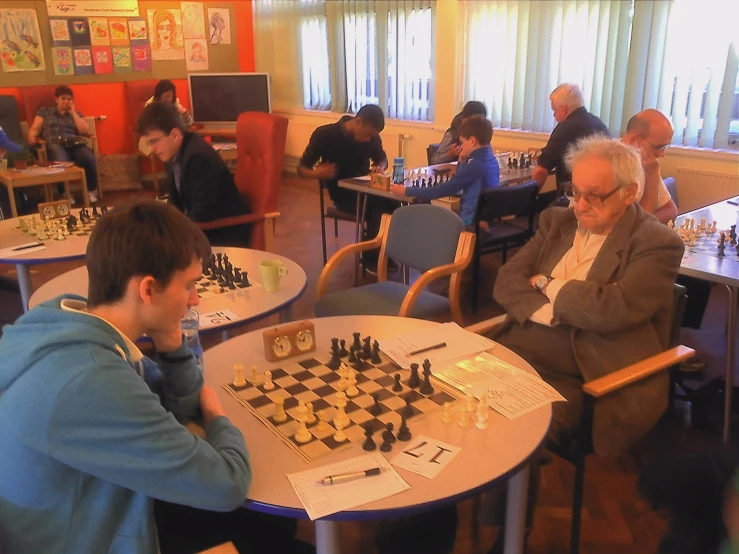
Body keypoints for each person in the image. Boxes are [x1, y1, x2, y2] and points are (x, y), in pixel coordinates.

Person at [0, 200, 307, 554]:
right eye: (190, 285)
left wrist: (171, 342)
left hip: (97, 501)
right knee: (268, 530)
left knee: (273, 523)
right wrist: (218, 419)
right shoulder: (91, 379)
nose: (194, 299)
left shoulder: (69, 321)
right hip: (84, 536)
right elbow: (228, 484)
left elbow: (178, 406)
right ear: (147, 290)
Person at [484, 136, 684, 550]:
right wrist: (554, 311)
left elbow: (612, 310)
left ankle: (509, 536)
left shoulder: (655, 243)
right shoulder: (556, 222)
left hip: (583, 372)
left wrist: (544, 283)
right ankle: (443, 510)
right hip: (515, 349)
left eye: (595, 195)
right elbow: (505, 281)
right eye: (575, 191)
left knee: (511, 428)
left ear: (630, 193)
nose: (580, 205)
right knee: (450, 403)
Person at [136, 102, 251, 247]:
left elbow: (203, 214)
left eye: (154, 141)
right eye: (149, 143)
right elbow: (176, 203)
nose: (152, 149)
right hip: (200, 227)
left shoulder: (199, 158)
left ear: (175, 135)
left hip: (222, 233)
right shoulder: (172, 152)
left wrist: (169, 234)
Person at [298, 104, 395, 271]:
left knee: (394, 205)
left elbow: (382, 159)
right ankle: (370, 257)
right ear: (358, 122)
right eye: (367, 134)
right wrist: (317, 174)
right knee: (377, 211)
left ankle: (385, 253)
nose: (368, 139)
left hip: (367, 187)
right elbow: (301, 168)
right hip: (343, 193)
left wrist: (380, 167)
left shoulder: (373, 138)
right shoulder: (324, 135)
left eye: (372, 136)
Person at [390, 115, 500, 228]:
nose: (461, 146)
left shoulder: (475, 166)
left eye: (462, 142)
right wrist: (461, 160)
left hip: (470, 221)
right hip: (484, 216)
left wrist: (407, 191)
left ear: (472, 141)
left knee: (427, 221)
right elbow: (461, 178)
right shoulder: (491, 160)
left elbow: (442, 190)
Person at [531, 83, 610, 201]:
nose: (554, 114)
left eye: (554, 110)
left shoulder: (565, 128)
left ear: (563, 109)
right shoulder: (599, 124)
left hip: (572, 197)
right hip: (600, 196)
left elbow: (541, 170)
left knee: (527, 207)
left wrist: (529, 198)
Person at [27, 85, 100, 203]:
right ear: (56, 99)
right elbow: (35, 128)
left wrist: (73, 113)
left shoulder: (76, 114)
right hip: (54, 143)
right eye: (63, 98)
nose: (66, 101)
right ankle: (64, 193)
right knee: (61, 161)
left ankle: (91, 190)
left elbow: (84, 131)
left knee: (89, 158)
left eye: (69, 99)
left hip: (74, 143)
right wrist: (32, 135)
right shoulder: (45, 112)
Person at [621, 109, 678, 224]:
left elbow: (671, 210)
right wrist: (652, 175)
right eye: (658, 147)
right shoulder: (608, 165)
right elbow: (635, 226)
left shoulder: (645, 162)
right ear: (634, 140)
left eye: (665, 147)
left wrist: (648, 222)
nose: (662, 154)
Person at [139, 79, 194, 155]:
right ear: (159, 96)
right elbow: (150, 129)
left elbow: (188, 124)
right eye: (165, 96)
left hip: (171, 137)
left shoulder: (175, 104)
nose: (168, 99)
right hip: (155, 139)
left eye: (170, 96)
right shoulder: (150, 106)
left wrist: (186, 116)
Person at [430, 101, 488, 165]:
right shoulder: (452, 134)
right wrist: (449, 154)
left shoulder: (481, 133)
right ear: (464, 119)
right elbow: (434, 161)